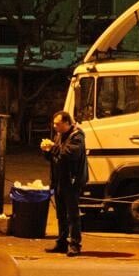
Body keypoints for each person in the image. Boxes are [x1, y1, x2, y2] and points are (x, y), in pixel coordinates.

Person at [41, 110, 88, 257]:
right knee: (60, 213)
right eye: (54, 124)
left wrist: (53, 147)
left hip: (71, 180)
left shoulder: (77, 136)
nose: (55, 127)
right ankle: (62, 242)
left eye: (58, 124)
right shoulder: (59, 135)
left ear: (67, 123)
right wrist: (46, 150)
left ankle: (75, 244)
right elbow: (55, 156)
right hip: (59, 180)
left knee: (72, 214)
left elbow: (69, 154)